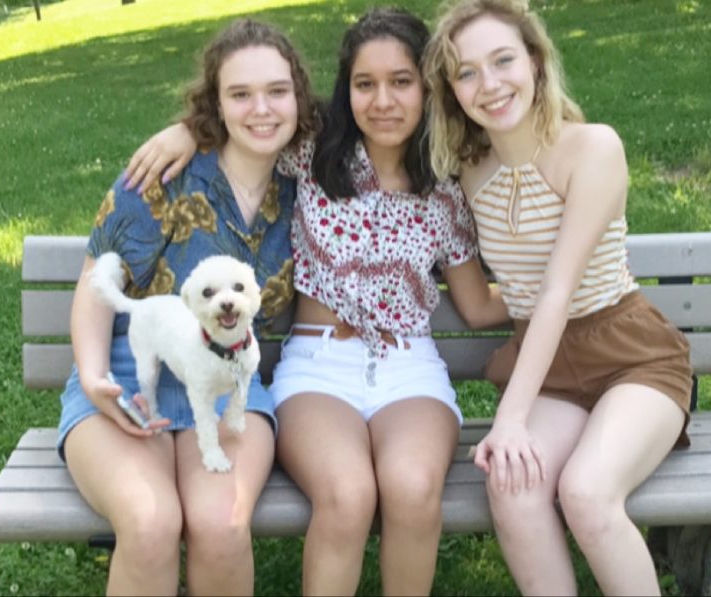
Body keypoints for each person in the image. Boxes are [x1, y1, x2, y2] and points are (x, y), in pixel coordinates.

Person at [123, 8, 510, 595]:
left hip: (409, 367)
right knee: (347, 492)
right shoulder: (313, 154)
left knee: (411, 488)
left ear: (428, 90)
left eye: (401, 81)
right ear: (345, 91)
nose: (383, 100)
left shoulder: (444, 188)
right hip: (318, 367)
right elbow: (248, 117)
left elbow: (478, 306)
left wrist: (561, 285)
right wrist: (187, 129)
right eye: (365, 84)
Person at [421, 1, 694, 595]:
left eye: (503, 60)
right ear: (451, 91)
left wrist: (510, 418)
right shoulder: (469, 173)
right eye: (467, 72)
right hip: (550, 369)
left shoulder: (592, 148)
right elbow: (509, 297)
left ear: (536, 62)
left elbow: (557, 290)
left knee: (586, 493)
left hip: (633, 359)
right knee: (512, 487)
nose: (489, 84)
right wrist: (196, 126)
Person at [59, 19, 318, 595]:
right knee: (151, 524)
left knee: (221, 524)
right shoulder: (165, 176)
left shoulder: (306, 183)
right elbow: (96, 279)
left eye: (277, 91)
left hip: (228, 385)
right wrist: (94, 375)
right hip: (132, 375)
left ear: (299, 97)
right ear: (215, 104)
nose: (261, 110)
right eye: (239, 94)